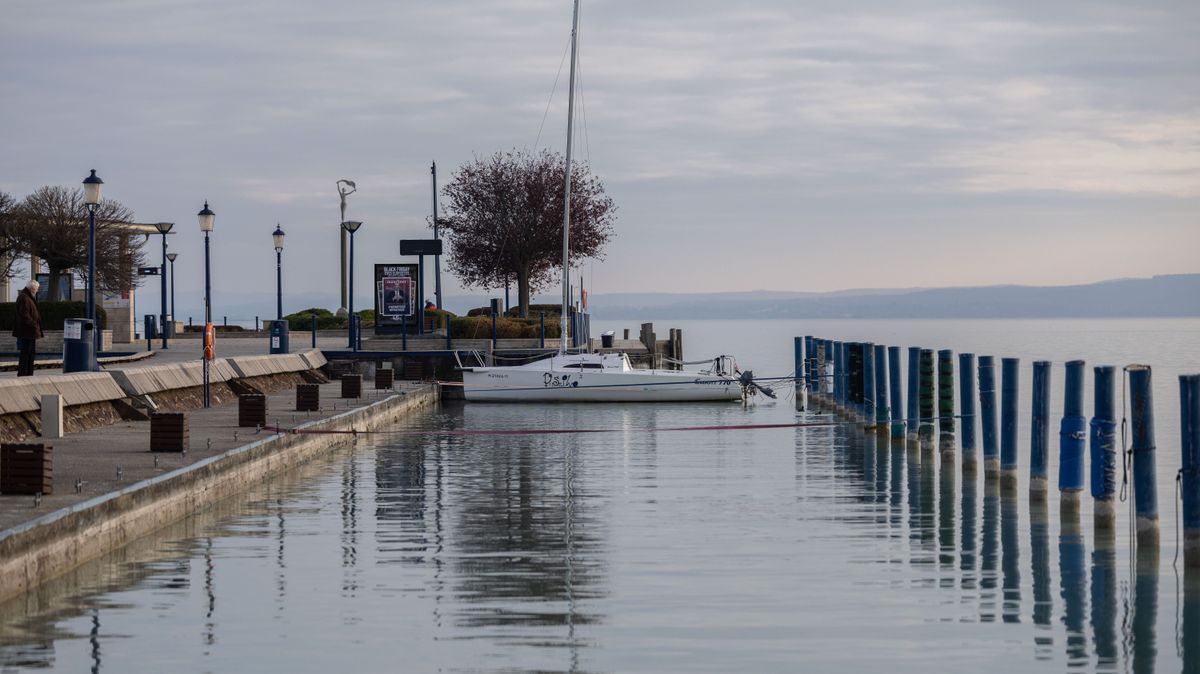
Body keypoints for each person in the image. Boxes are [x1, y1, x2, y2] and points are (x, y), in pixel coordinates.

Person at [13, 279, 43, 377]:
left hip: (30, 331)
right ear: (32, 289)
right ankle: (23, 373)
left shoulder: (27, 297)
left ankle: (29, 372)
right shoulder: (24, 298)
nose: (37, 291)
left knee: (30, 353)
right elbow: (24, 315)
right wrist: (34, 325)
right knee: (26, 353)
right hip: (27, 331)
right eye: (37, 289)